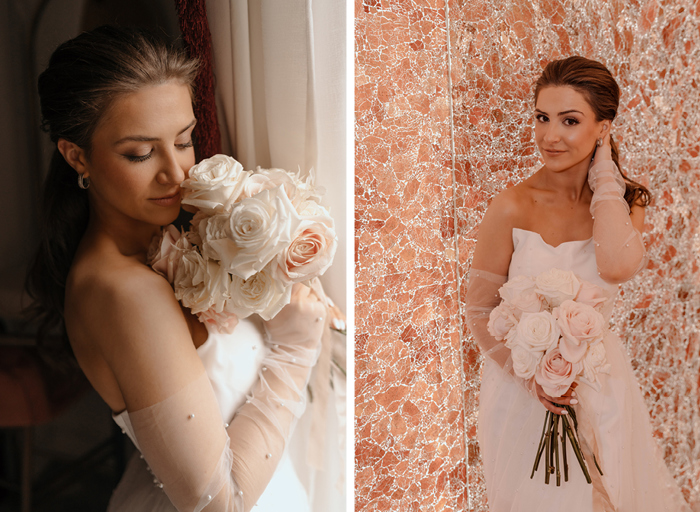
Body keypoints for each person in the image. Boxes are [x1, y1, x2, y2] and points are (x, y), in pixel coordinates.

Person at [26, 25, 326, 512]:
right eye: (139, 153)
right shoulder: (125, 291)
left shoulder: (162, 246)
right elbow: (217, 505)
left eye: (184, 141)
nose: (176, 173)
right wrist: (295, 348)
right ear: (77, 155)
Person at [465, 56, 689, 511]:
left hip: (600, 384)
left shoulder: (624, 203)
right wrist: (534, 380)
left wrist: (605, 179)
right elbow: (479, 311)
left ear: (603, 127)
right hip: (522, 392)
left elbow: (617, 266)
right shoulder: (511, 205)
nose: (550, 136)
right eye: (542, 118)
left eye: (570, 121)